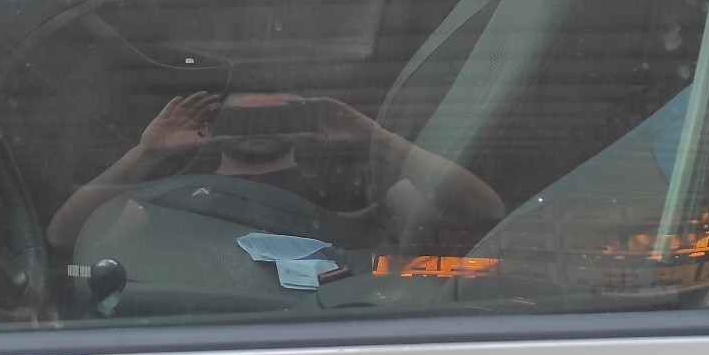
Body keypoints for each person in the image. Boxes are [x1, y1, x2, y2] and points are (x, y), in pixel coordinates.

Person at [45, 90, 505, 255]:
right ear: (210, 129)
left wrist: (378, 138)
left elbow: (484, 210)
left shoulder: (357, 190)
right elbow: (66, 237)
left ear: (303, 127)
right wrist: (146, 153)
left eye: (276, 116)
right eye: (243, 117)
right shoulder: (170, 197)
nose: (260, 127)